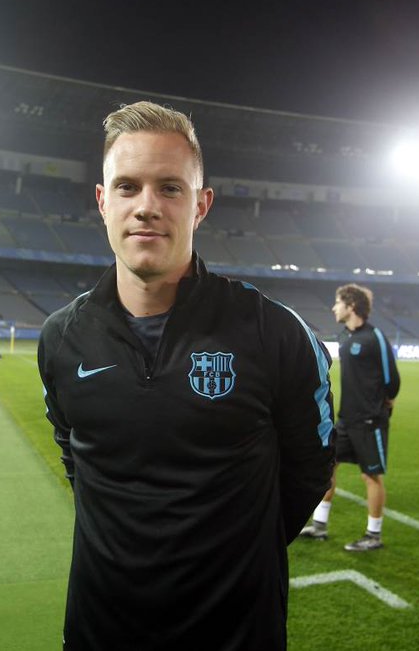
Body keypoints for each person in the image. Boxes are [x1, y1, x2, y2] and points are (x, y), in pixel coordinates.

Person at [37, 102, 336, 650]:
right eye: (127, 187)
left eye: (170, 188)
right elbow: (77, 461)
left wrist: (237, 558)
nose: (146, 207)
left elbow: (309, 472)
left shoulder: (274, 332)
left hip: (237, 636)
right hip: (99, 631)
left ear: (201, 205)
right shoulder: (61, 337)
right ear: (103, 202)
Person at [299, 284, 401, 551]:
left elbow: (392, 378)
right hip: (345, 418)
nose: (334, 307)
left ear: (351, 305)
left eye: (338, 302)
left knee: (371, 476)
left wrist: (385, 402)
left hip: (370, 420)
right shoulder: (344, 336)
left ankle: (373, 535)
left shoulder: (374, 337)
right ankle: (319, 526)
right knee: (328, 468)